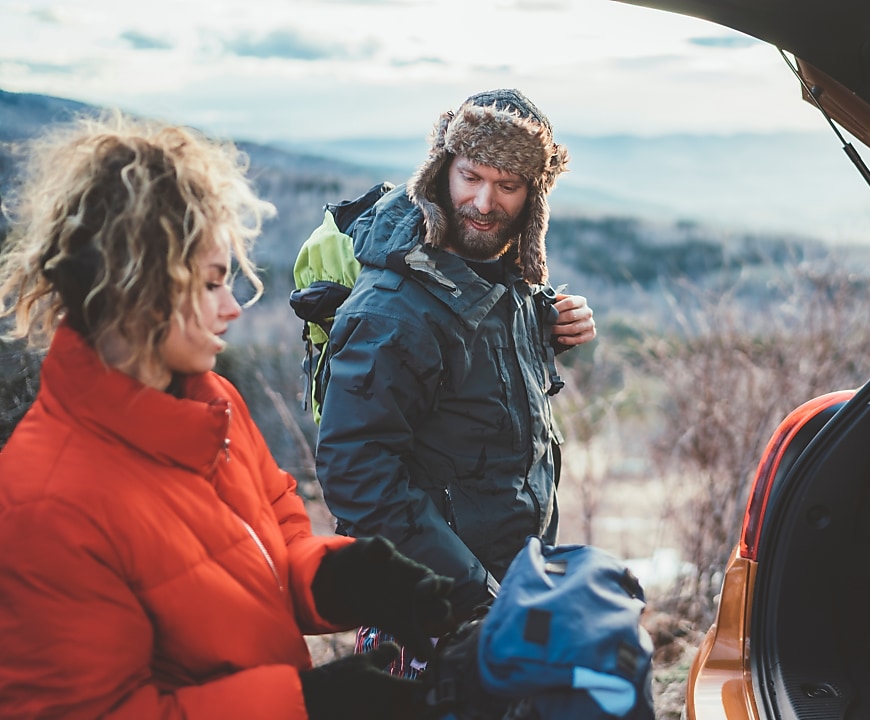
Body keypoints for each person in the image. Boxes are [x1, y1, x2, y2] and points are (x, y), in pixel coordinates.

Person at [0, 112, 458, 719]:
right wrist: (309, 706)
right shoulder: (44, 504)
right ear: (139, 289)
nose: (231, 308)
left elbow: (268, 549)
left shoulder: (210, 404)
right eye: (213, 283)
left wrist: (343, 579)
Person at [309, 89, 596, 673]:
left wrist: (549, 325)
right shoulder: (392, 306)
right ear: (441, 171)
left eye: (508, 185)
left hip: (505, 585)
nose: (484, 202)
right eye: (470, 177)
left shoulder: (500, 277)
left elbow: (474, 393)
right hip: (434, 609)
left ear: (534, 196)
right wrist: (473, 599)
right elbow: (357, 475)